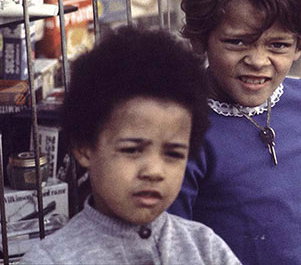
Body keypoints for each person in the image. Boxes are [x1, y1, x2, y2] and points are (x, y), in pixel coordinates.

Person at [168, 0, 301, 264]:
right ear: (200, 38)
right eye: (237, 42)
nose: (258, 60)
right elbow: (175, 244)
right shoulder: (186, 128)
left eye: (278, 45)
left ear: (298, 46)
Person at [20, 26, 241, 265]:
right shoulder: (52, 260)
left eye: (173, 153)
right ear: (85, 147)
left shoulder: (205, 248)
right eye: (132, 150)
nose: (154, 171)